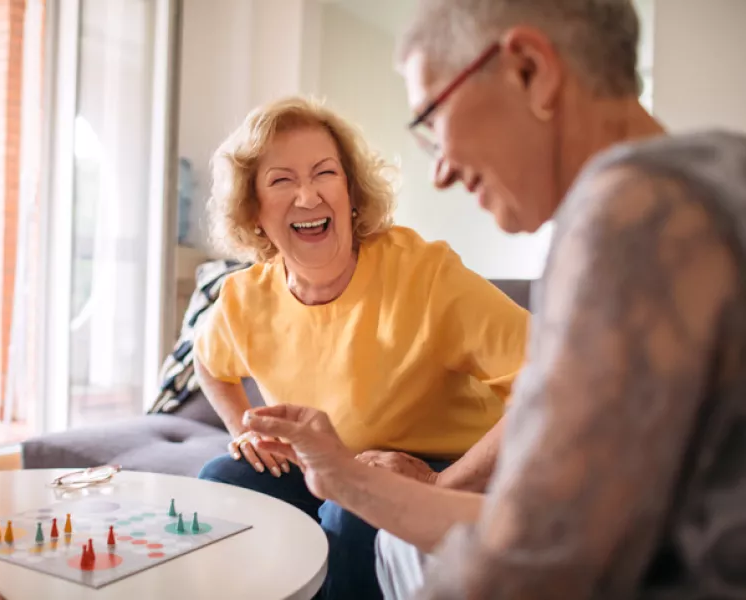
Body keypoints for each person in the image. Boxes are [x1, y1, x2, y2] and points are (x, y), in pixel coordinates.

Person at [241, 0, 746, 598]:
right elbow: (553, 525)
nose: (442, 171)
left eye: (434, 114)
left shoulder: (632, 208)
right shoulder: (721, 168)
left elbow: (534, 562)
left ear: (530, 70)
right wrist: (346, 478)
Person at [194, 97, 530, 598]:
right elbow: (208, 363)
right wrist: (245, 429)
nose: (307, 197)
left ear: (350, 191)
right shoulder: (244, 298)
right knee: (223, 478)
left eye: (324, 173)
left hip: (442, 462)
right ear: (254, 212)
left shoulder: (425, 274)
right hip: (327, 462)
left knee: (350, 508)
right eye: (281, 180)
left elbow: (551, 380)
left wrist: (443, 487)